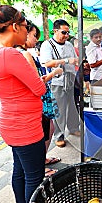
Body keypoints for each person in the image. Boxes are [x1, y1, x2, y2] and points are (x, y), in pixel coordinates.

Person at [0, 0, 46, 203]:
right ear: (14, 26)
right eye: (25, 26)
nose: (27, 32)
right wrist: (30, 61)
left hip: (10, 121)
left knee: (19, 171)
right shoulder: (11, 54)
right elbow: (39, 88)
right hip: (25, 126)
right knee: (34, 177)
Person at [19, 22, 63, 177]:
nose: (35, 39)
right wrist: (54, 73)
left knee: (48, 128)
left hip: (41, 96)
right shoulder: (24, 54)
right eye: (32, 35)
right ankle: (40, 165)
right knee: (44, 131)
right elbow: (37, 82)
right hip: (39, 98)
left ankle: (42, 159)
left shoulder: (25, 53)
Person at [40, 19, 79, 148]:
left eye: (68, 33)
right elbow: (47, 63)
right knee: (59, 109)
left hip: (70, 79)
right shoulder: (47, 45)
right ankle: (59, 135)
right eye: (64, 32)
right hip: (57, 81)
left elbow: (75, 59)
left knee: (72, 106)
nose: (66, 36)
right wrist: (67, 60)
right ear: (55, 31)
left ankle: (73, 128)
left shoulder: (69, 45)